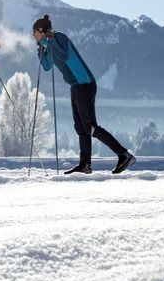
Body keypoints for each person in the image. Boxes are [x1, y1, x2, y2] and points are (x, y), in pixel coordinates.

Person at [33, 15, 136, 174]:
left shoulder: (59, 37)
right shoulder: (48, 42)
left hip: (85, 84)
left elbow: (63, 55)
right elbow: (47, 66)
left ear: (41, 31)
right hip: (75, 86)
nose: (33, 36)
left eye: (34, 33)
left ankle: (124, 155)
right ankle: (85, 164)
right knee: (81, 128)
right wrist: (41, 49)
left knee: (90, 127)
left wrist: (49, 42)